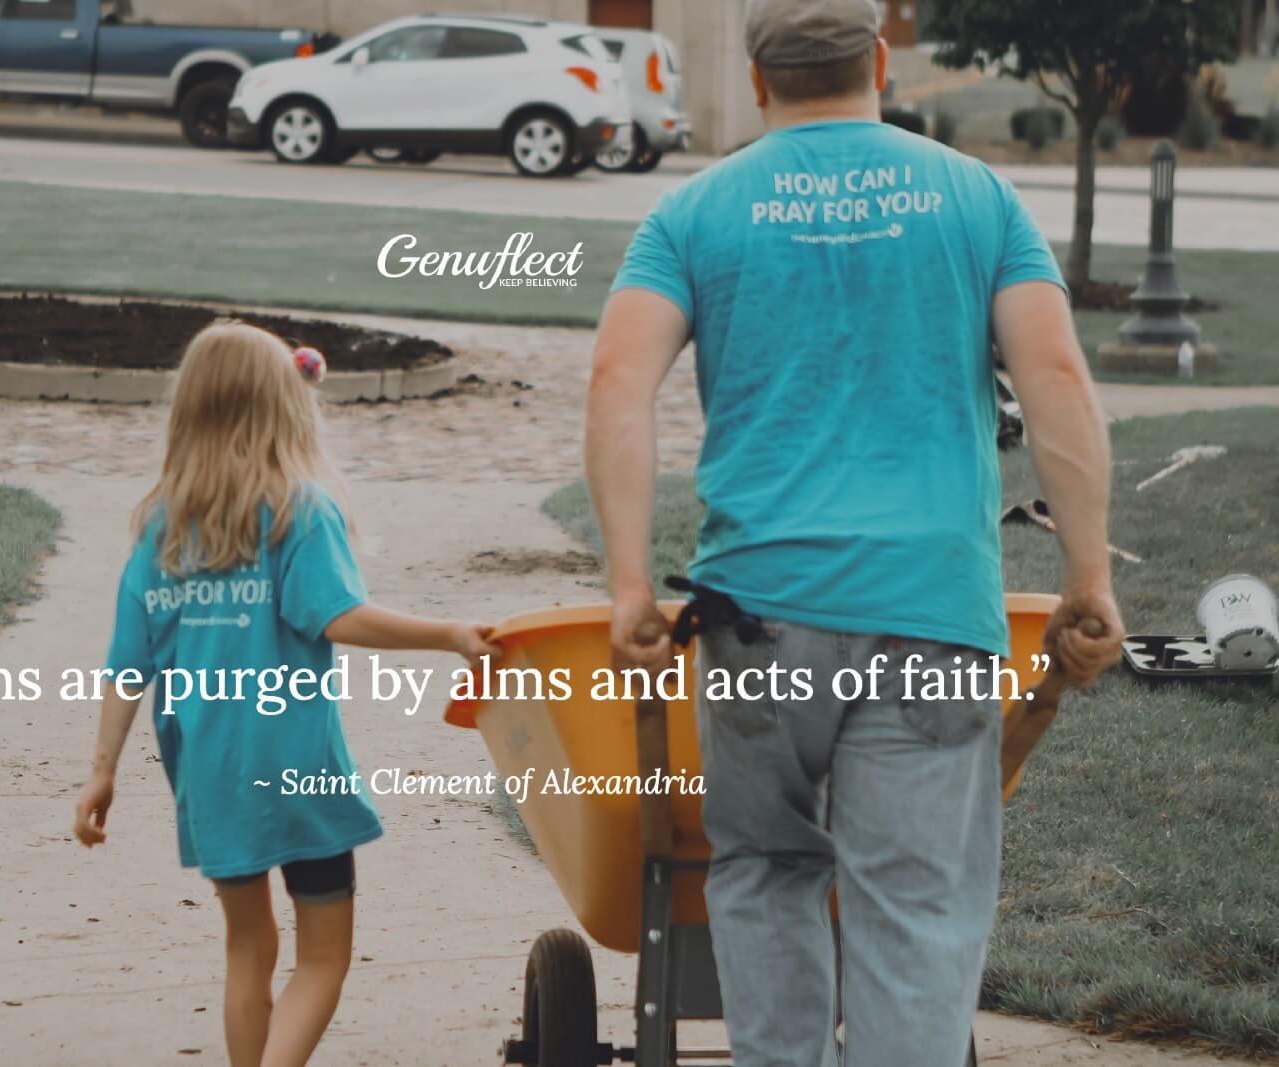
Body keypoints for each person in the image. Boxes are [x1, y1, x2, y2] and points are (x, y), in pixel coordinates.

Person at [584, 0, 1125, 1063]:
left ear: (755, 83)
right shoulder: (977, 199)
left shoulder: (693, 212)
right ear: (878, 59)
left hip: (757, 617)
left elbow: (616, 383)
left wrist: (627, 586)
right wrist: (1088, 571)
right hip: (930, 611)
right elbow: (1054, 378)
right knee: (916, 903)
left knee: (764, 868)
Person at [73, 322, 497, 1067]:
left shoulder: (161, 528)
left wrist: (102, 768)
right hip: (297, 766)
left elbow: (125, 664)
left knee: (246, 949)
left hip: (206, 771)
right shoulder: (300, 508)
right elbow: (338, 615)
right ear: (285, 406)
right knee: (324, 956)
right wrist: (451, 633)